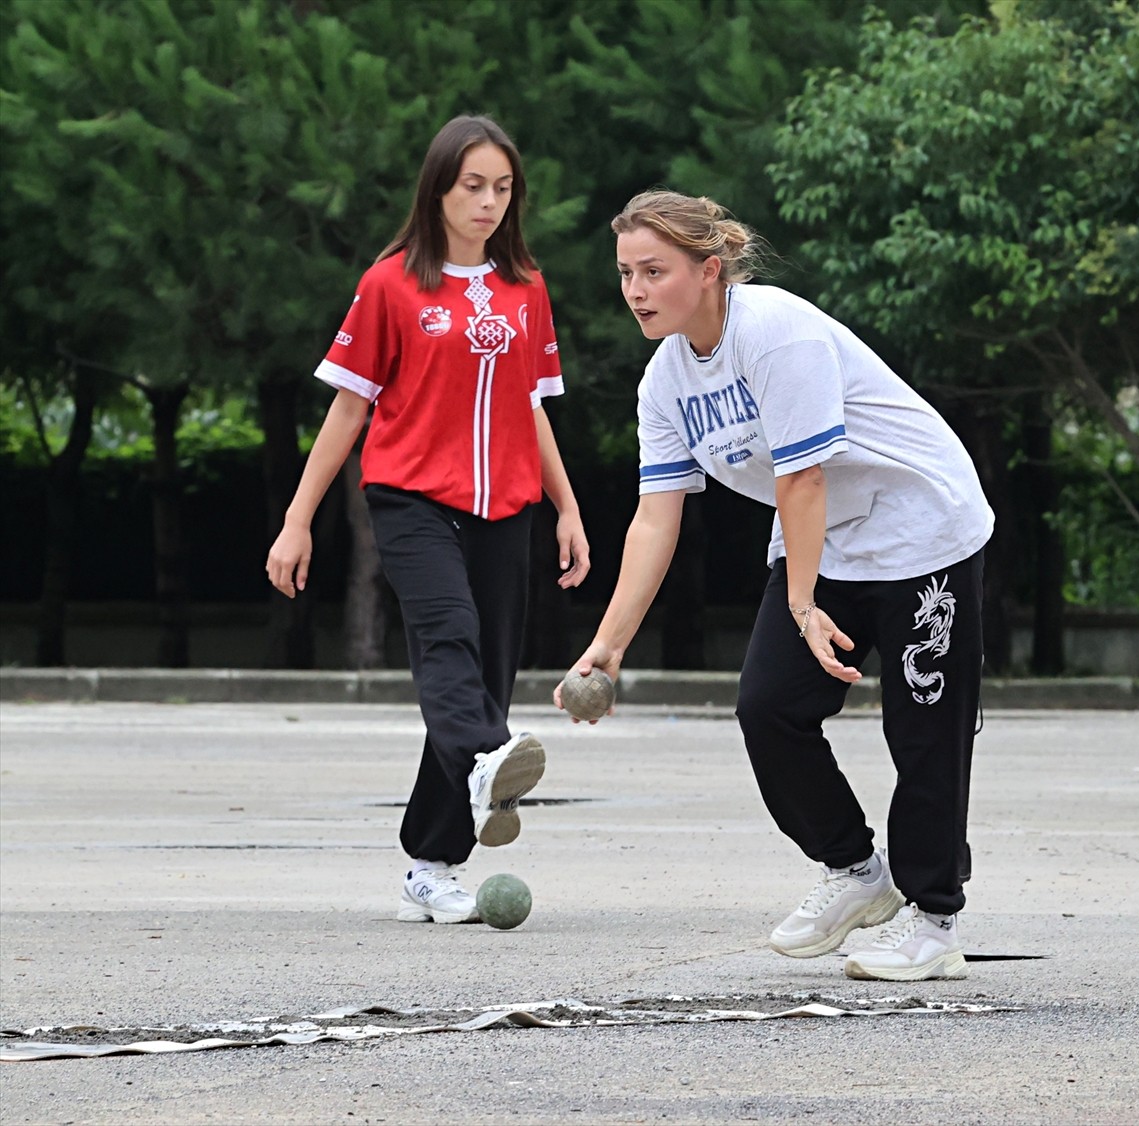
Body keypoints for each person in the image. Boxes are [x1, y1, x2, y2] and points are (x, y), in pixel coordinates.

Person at [556, 190, 992, 982]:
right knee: (769, 707)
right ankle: (858, 873)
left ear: (710, 270)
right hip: (826, 541)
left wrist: (801, 599)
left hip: (922, 528)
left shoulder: (776, 332)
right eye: (626, 273)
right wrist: (608, 646)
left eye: (654, 271)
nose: (636, 291)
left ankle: (934, 922)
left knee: (924, 730)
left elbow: (803, 478)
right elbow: (656, 520)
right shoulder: (665, 384)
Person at [267, 115, 589, 925]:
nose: (487, 202)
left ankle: (432, 862)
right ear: (438, 187)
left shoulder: (526, 289)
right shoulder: (390, 284)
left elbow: (534, 408)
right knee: (447, 638)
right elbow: (348, 410)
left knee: (486, 677)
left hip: (506, 505)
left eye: (502, 188)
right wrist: (298, 519)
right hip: (411, 498)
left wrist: (568, 506)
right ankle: (488, 758)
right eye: (472, 186)